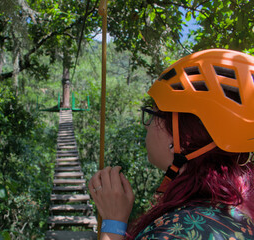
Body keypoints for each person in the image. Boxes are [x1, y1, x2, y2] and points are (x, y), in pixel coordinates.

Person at [89, 49, 254, 240]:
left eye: (154, 114)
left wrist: (113, 223)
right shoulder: (236, 207)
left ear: (182, 139)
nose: (147, 125)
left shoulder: (178, 231)